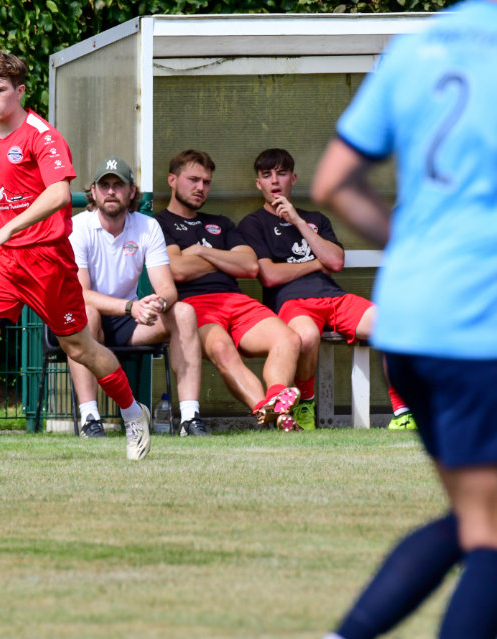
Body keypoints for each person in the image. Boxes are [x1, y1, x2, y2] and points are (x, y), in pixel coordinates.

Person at [297, 2, 497, 639]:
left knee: (475, 519)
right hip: (478, 325)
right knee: (490, 533)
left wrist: (412, 246)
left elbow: (332, 182)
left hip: (410, 317)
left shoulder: (415, 49)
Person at [0, 50, 152, 462]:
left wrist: (8, 229)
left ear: (20, 91)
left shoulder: (42, 136)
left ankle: (134, 414)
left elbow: (60, 193)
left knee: (79, 348)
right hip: (4, 262)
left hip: (47, 261)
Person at [238, 148, 414, 431]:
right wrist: (314, 264)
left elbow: (335, 261)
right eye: (267, 175)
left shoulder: (315, 219)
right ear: (258, 183)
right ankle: (305, 404)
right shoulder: (253, 223)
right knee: (306, 337)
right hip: (290, 301)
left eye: (281, 174)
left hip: (334, 297)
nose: (275, 181)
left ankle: (403, 411)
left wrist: (297, 221)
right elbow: (269, 276)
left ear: (293, 178)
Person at [154, 150, 302, 431]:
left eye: (206, 182)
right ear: (172, 180)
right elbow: (178, 270)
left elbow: (249, 266)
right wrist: (224, 260)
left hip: (236, 300)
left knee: (289, 339)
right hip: (194, 305)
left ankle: (275, 403)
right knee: (222, 349)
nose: (200, 187)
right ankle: (274, 417)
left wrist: (199, 251)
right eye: (193, 180)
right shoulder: (159, 224)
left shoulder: (221, 223)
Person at [68, 156, 208, 437]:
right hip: (85, 318)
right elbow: (80, 295)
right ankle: (90, 420)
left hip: (127, 322)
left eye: (118, 185)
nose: (111, 192)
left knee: (184, 312)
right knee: (86, 313)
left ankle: (189, 419)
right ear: (93, 191)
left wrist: (158, 303)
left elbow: (168, 289)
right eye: (104, 185)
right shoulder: (77, 226)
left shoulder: (148, 226)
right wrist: (131, 307)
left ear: (132, 191)